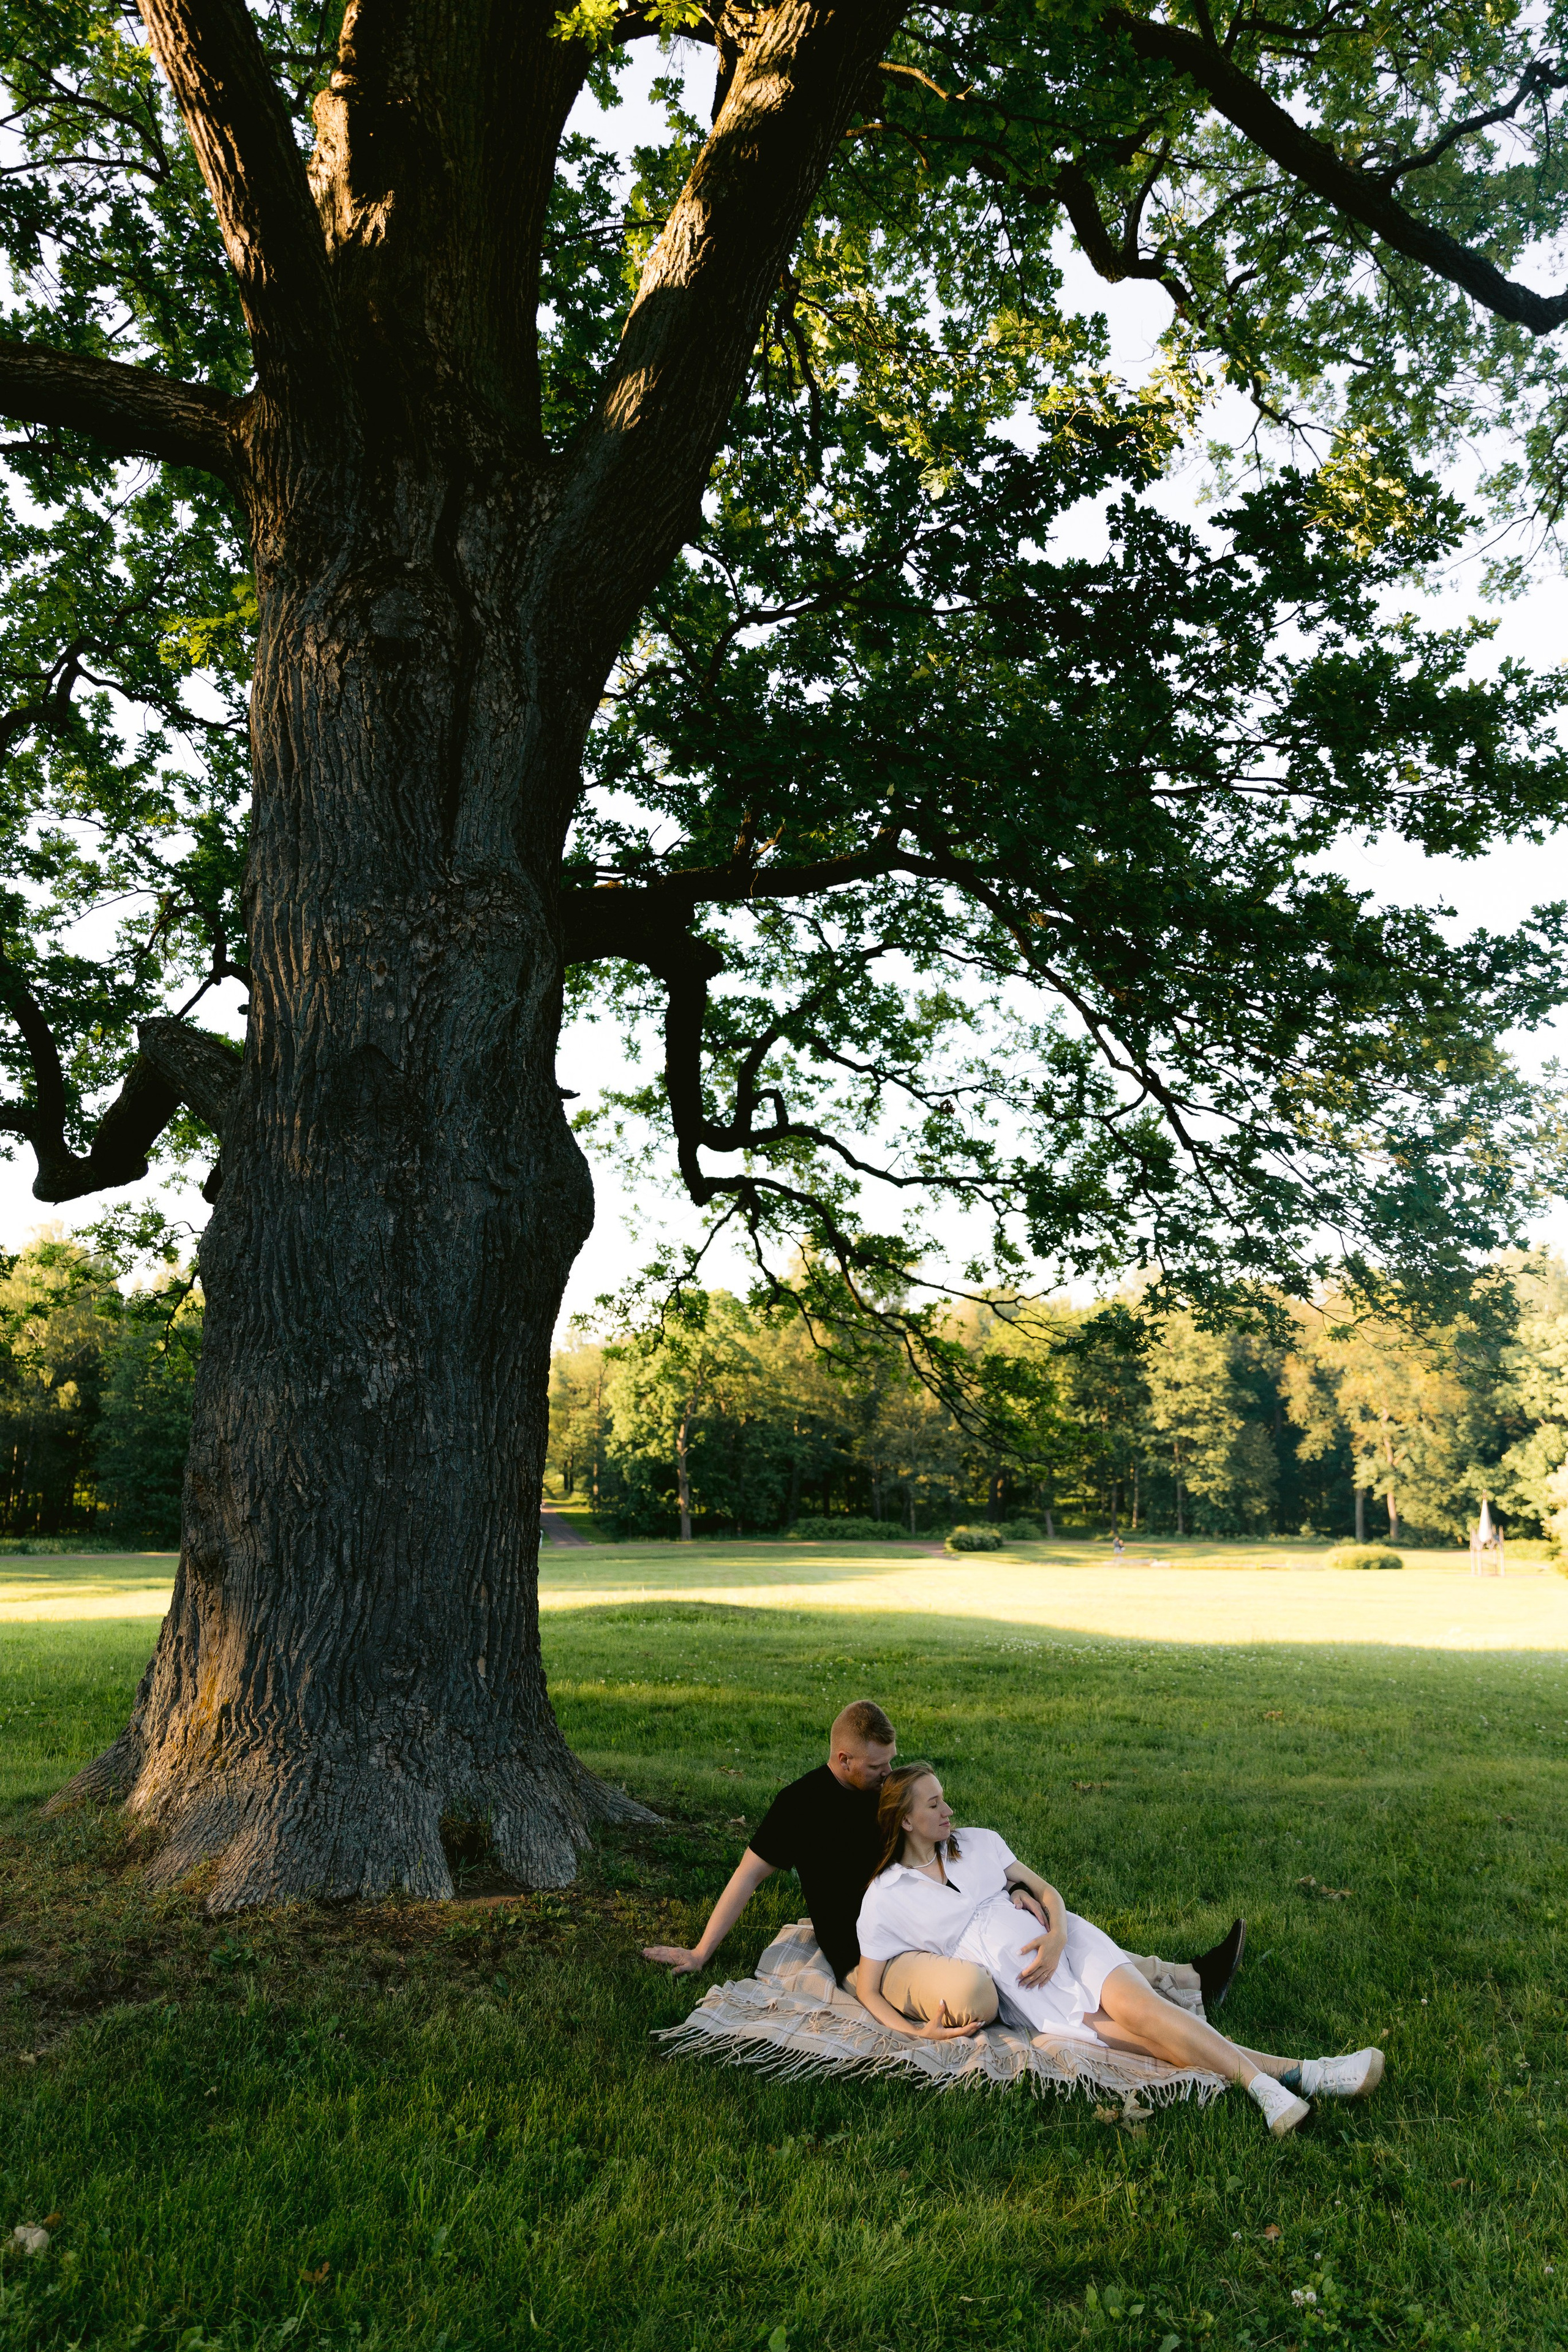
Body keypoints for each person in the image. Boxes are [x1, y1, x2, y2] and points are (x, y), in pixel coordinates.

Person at [853, 1764, 1385, 2137]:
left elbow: (1046, 1892)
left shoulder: (980, 1842)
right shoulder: (886, 1898)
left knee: (1148, 2012)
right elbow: (870, 1988)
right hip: (1031, 1996)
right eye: (934, 1803)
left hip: (1073, 1949)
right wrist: (914, 2031)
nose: (949, 1808)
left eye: (944, 1797)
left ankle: (1264, 2091)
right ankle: (1307, 2074)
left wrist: (1059, 1936)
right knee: (1147, 2043)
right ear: (905, 1820)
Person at [641, 1701, 1022, 2034]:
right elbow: (748, 1875)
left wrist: (1011, 1888)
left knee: (1032, 1949)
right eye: (877, 1766)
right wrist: (700, 1952)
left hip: (937, 1924)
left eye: (891, 1760)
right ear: (844, 1759)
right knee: (977, 1996)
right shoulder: (800, 1805)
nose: (889, 1772)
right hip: (874, 1956)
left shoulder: (887, 1791)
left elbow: (946, 1847)